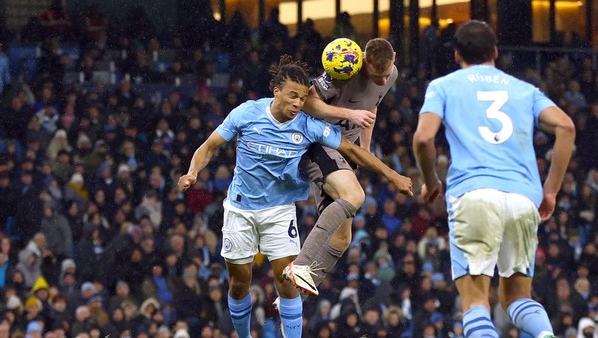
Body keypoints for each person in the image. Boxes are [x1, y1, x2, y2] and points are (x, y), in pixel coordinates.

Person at [177, 55, 412, 338]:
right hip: (240, 209)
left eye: (302, 98)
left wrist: (392, 175)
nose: (298, 104)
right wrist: (192, 172)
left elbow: (352, 150)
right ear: (276, 91)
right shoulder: (247, 113)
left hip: (279, 211)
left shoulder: (307, 125)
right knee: (239, 284)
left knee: (287, 284)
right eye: (292, 96)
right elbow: (210, 146)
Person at [412, 20, 575, 338]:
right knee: (517, 298)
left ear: (457, 55)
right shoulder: (524, 90)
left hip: (472, 194)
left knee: (474, 302)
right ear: (496, 53)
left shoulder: (443, 86)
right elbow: (566, 127)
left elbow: (422, 138)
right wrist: (551, 190)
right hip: (523, 197)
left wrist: (431, 181)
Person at [282, 38, 403, 296]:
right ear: (363, 61)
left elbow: (372, 108)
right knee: (355, 196)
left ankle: (292, 302)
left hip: (346, 148)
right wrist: (350, 115)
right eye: (375, 74)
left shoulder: (391, 74)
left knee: (341, 239)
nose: (382, 80)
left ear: (394, 57)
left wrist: (365, 150)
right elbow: (311, 103)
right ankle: (300, 265)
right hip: (319, 141)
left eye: (385, 74)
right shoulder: (345, 67)